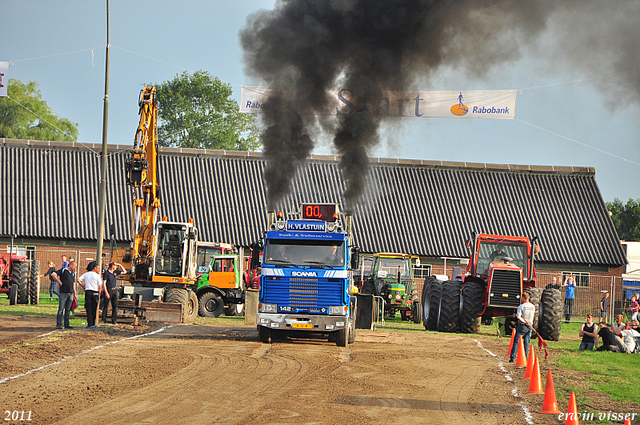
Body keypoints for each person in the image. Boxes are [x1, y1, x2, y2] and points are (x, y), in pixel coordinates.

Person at [509, 292, 535, 363]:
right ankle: (525, 358)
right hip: (530, 325)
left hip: (523, 325)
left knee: (516, 341)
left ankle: (513, 357)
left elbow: (518, 316)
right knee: (526, 342)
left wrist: (523, 321)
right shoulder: (533, 306)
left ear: (523, 298)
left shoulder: (521, 306)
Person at [52, 261, 78, 330]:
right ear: (71, 265)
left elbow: (74, 283)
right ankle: (59, 324)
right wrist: (59, 281)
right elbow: (53, 274)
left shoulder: (73, 273)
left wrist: (75, 293)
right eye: (74, 266)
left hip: (71, 293)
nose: (75, 268)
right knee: (61, 308)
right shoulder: (63, 270)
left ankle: (67, 324)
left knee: (68, 309)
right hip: (64, 292)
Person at [78, 261, 102, 329]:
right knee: (94, 308)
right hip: (95, 292)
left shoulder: (86, 274)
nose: (99, 270)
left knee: (88, 308)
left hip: (88, 292)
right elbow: (100, 286)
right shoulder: (97, 276)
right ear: (94, 268)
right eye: (98, 268)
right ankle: (94, 323)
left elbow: (78, 280)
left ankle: (89, 323)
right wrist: (99, 294)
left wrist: (83, 286)